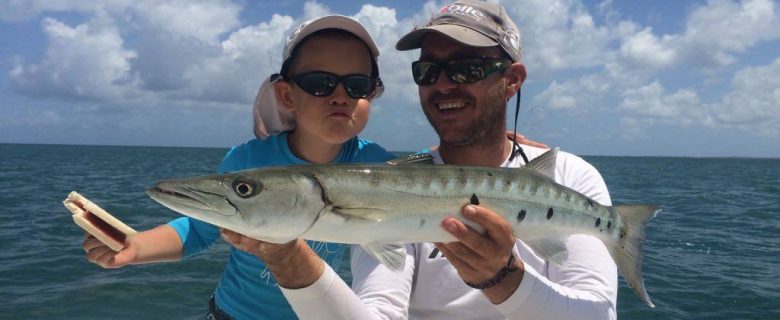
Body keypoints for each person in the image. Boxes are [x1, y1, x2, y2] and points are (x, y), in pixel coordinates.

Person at [248, 1, 619, 319]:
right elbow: (378, 310)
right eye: (427, 71)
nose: (442, 85)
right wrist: (287, 258)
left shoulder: (569, 175)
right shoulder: (388, 187)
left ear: (513, 80)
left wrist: (505, 279)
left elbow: (598, 312)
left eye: (467, 68)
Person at [82, 15, 397, 319]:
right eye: (320, 83)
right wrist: (136, 248)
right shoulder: (247, 164)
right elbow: (198, 229)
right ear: (287, 94)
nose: (340, 96)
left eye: (357, 84)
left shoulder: (383, 166)